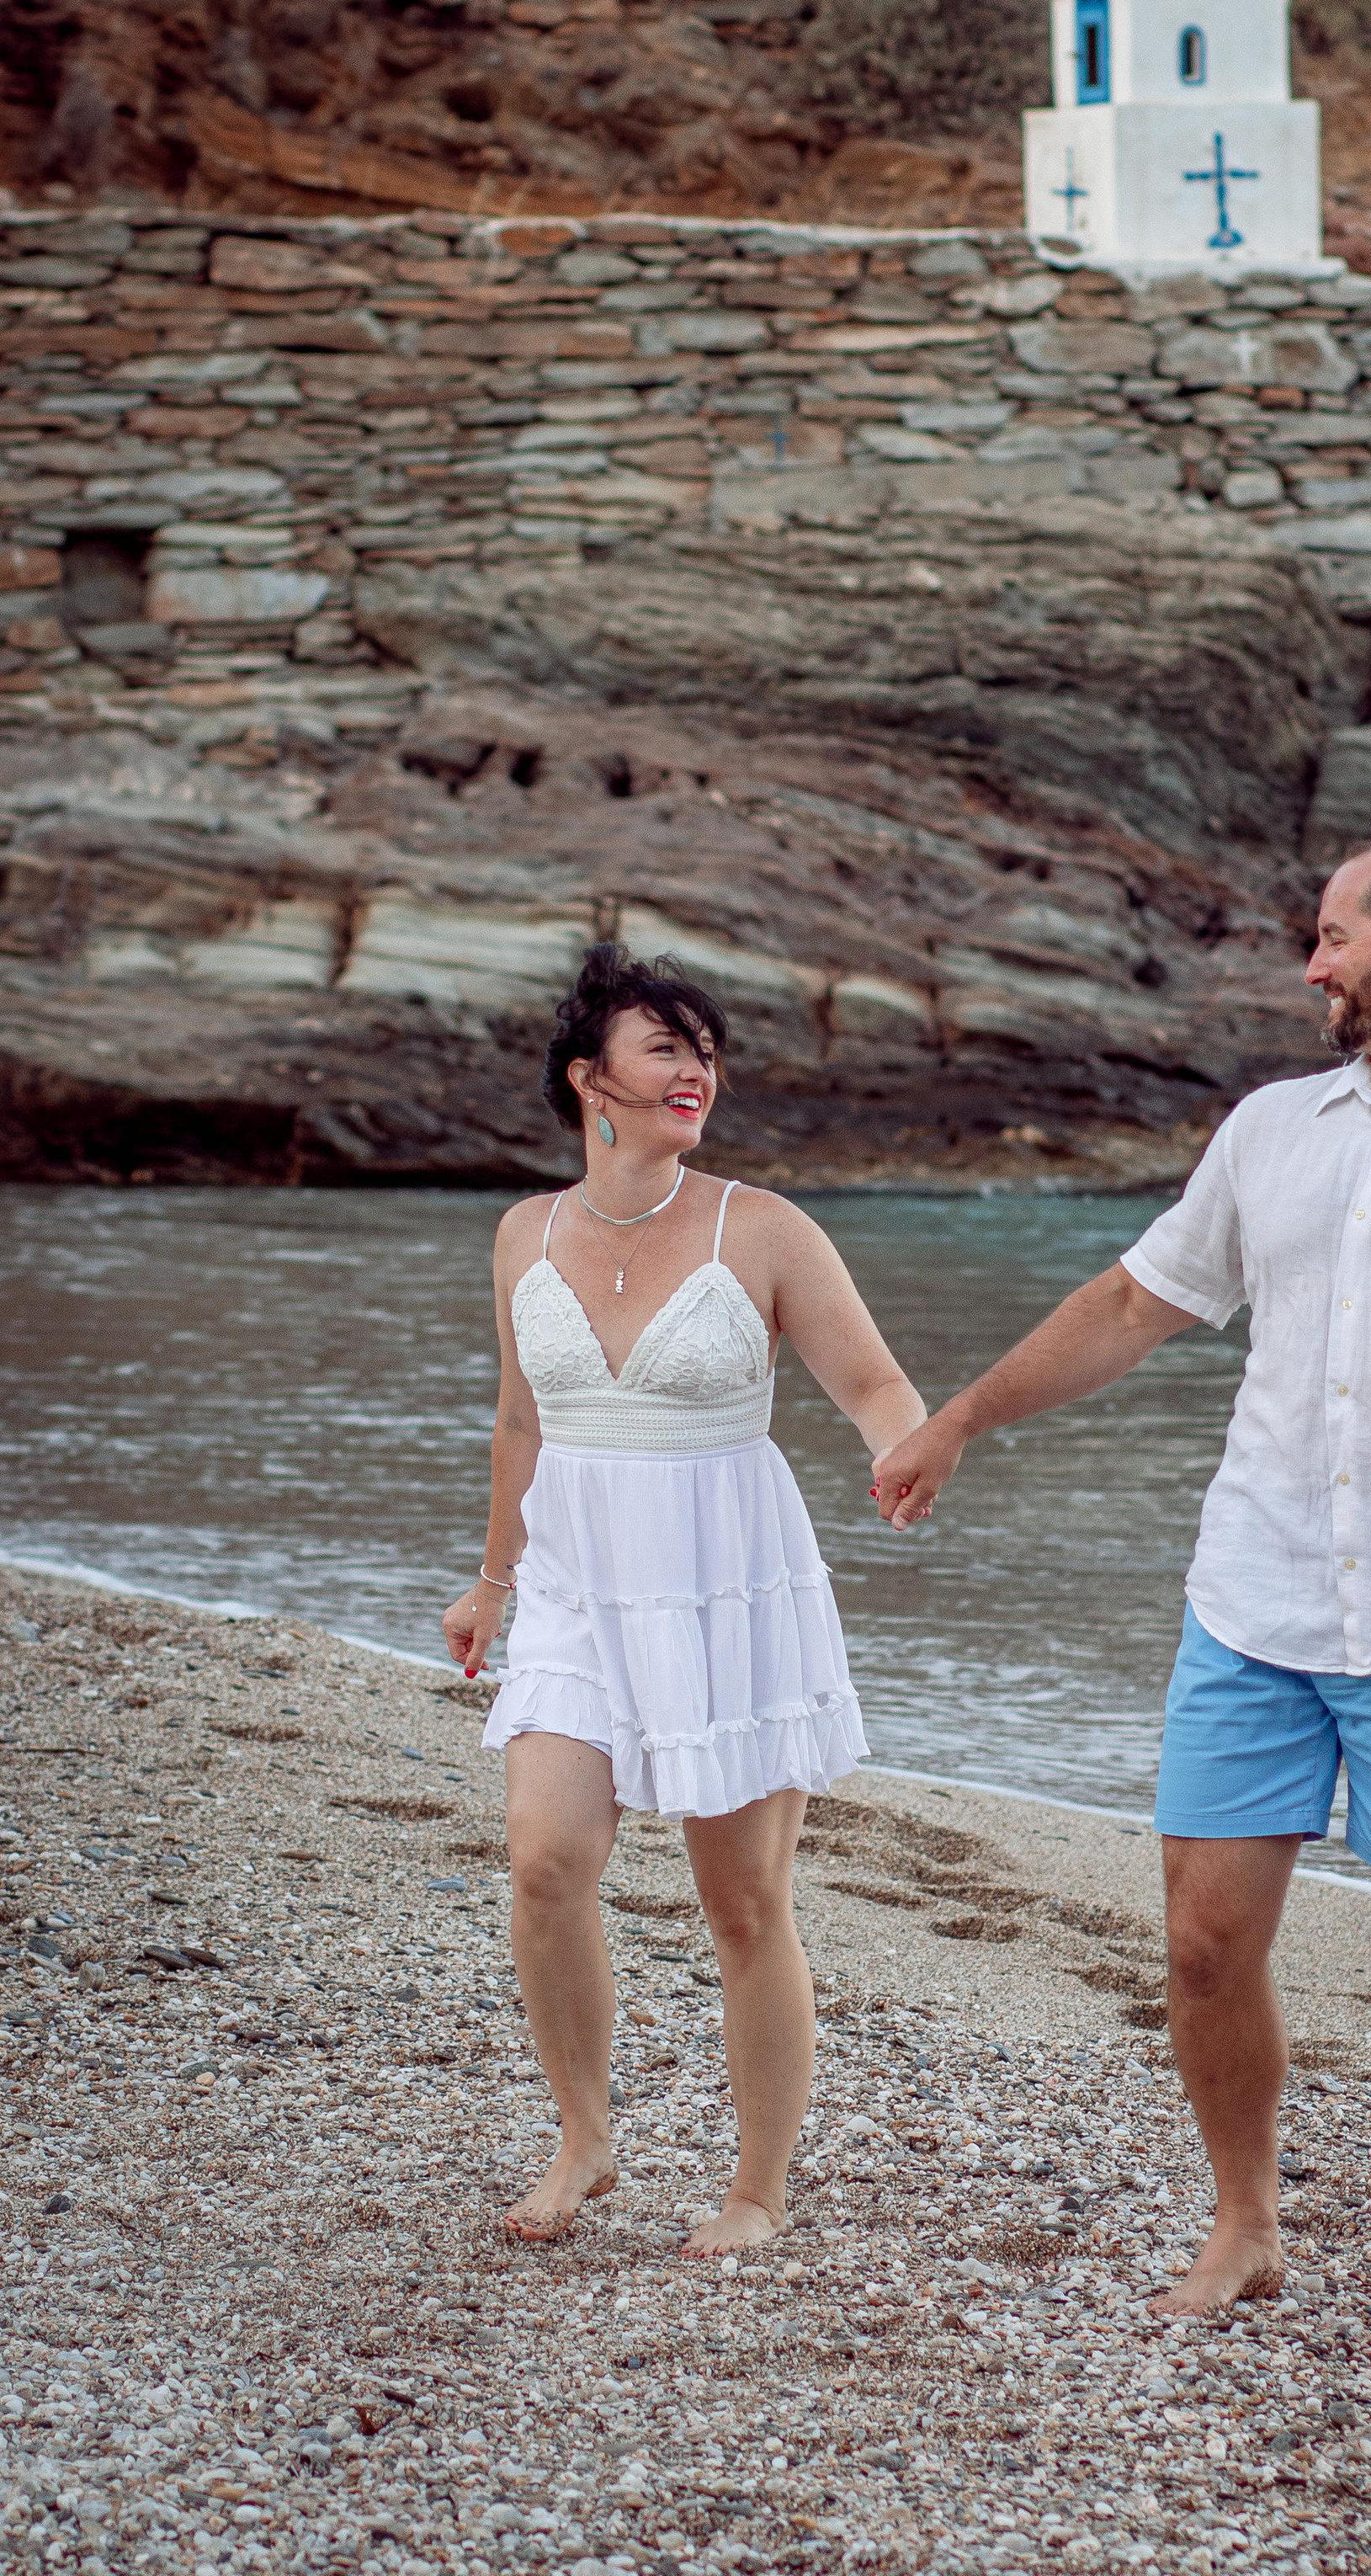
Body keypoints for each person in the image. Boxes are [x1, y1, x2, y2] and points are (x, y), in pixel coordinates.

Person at [872, 829, 1371, 2342]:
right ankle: (1247, 2226)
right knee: (1200, 1940)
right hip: (1254, 1603)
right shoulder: (1270, 1130)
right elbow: (1135, 1301)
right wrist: (963, 1415)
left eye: (1332, 936)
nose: (1312, 965)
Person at [443, 942, 924, 2253]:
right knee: (545, 1861)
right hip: (577, 1586)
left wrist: (905, 1445)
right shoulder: (521, 1234)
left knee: (744, 1905)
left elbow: (874, 1382)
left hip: (727, 1584)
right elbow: (518, 1423)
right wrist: (493, 1582)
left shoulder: (759, 1228)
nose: (694, 1069)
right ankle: (586, 2136)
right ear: (589, 1078)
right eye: (665, 1047)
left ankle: (757, 2188)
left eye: (705, 1050)